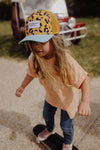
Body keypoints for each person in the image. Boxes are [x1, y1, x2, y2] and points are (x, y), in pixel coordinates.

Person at [15, 9, 91, 150]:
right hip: (51, 96)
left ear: (53, 40)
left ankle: (67, 142)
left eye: (41, 42)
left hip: (67, 100)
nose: (36, 46)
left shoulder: (64, 60)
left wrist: (85, 101)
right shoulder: (34, 58)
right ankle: (49, 129)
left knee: (66, 125)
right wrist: (22, 86)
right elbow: (31, 73)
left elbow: (84, 79)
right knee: (47, 116)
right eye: (33, 42)